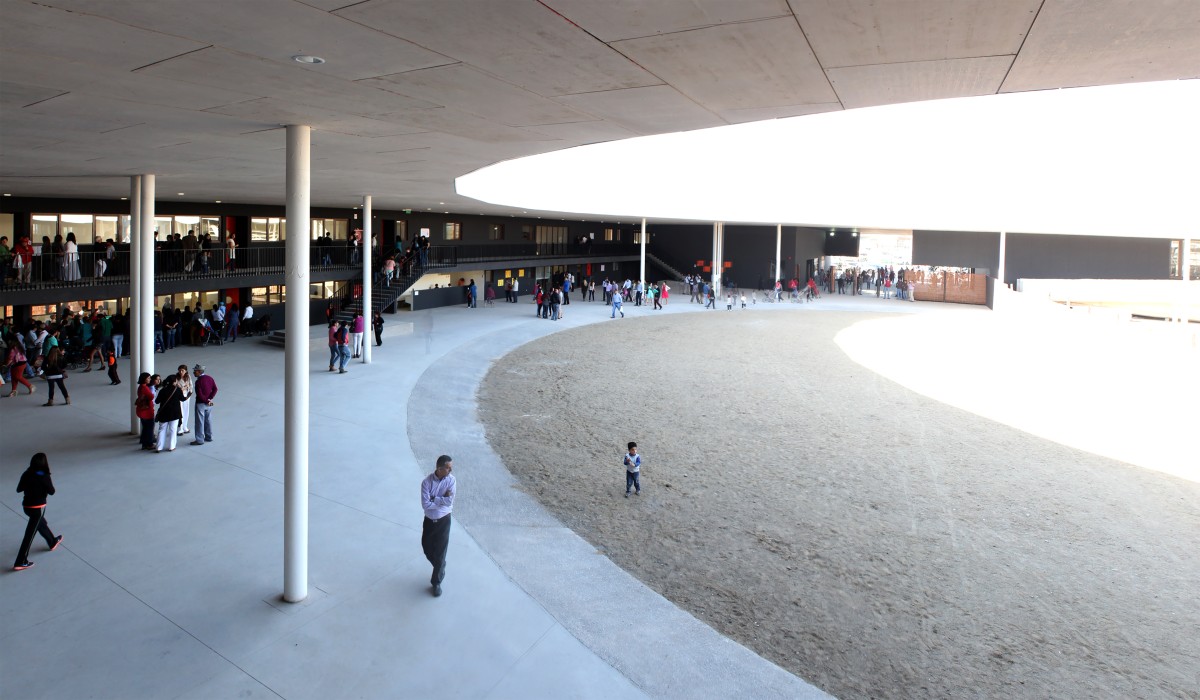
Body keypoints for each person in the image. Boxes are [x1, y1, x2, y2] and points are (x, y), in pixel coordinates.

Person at [12, 453, 63, 571]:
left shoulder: (26, 474)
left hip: (26, 507)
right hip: (38, 509)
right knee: (29, 535)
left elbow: (19, 489)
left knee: (41, 523)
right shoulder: (44, 476)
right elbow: (52, 491)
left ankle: (52, 541)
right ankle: (20, 561)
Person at [420, 455, 456, 597]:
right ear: (439, 468)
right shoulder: (426, 483)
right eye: (448, 468)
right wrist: (442, 499)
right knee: (427, 548)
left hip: (444, 520)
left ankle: (436, 582)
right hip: (429, 520)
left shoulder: (451, 480)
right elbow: (425, 504)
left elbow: (449, 502)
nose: (451, 470)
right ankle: (440, 565)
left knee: (441, 552)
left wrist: (434, 498)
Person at [154, 375, 184, 452]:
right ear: (175, 381)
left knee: (162, 430)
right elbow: (182, 399)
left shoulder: (162, 390)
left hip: (164, 413)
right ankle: (171, 446)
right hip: (174, 413)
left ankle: (159, 447)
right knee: (173, 430)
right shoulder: (177, 390)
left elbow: (157, 401)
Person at [190, 364, 217, 445]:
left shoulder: (198, 382)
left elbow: (199, 395)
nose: (194, 373)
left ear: (199, 371)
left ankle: (200, 440)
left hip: (200, 404)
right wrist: (209, 399)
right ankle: (209, 437)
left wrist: (206, 401)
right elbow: (215, 389)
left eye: (195, 371)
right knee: (208, 420)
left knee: (199, 422)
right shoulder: (210, 378)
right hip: (208, 404)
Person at [135, 372, 156, 450]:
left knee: (145, 427)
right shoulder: (145, 388)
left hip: (142, 411)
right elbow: (151, 396)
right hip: (147, 412)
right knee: (149, 428)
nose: (150, 379)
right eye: (148, 378)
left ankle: (144, 442)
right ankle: (149, 444)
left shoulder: (140, 387)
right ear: (144, 379)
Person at [175, 364, 193, 436]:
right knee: (180, 411)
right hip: (179, 396)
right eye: (179, 370)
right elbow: (176, 387)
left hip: (186, 395)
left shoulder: (188, 376)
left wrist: (188, 393)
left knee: (186, 411)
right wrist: (184, 387)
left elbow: (190, 386)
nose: (181, 372)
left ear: (185, 371)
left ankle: (185, 426)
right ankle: (180, 428)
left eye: (182, 370)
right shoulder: (176, 377)